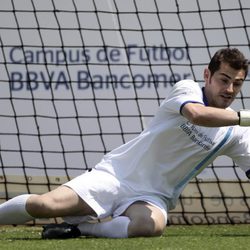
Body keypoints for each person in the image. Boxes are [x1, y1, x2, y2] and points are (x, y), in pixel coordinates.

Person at [0, 48, 249, 239]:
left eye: (237, 84)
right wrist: (245, 117)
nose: (229, 89)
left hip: (152, 197)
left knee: (150, 227)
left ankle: (80, 227)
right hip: (115, 176)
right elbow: (198, 116)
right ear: (207, 75)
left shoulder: (236, 133)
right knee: (45, 205)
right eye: (223, 80)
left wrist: (241, 121)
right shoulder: (187, 90)